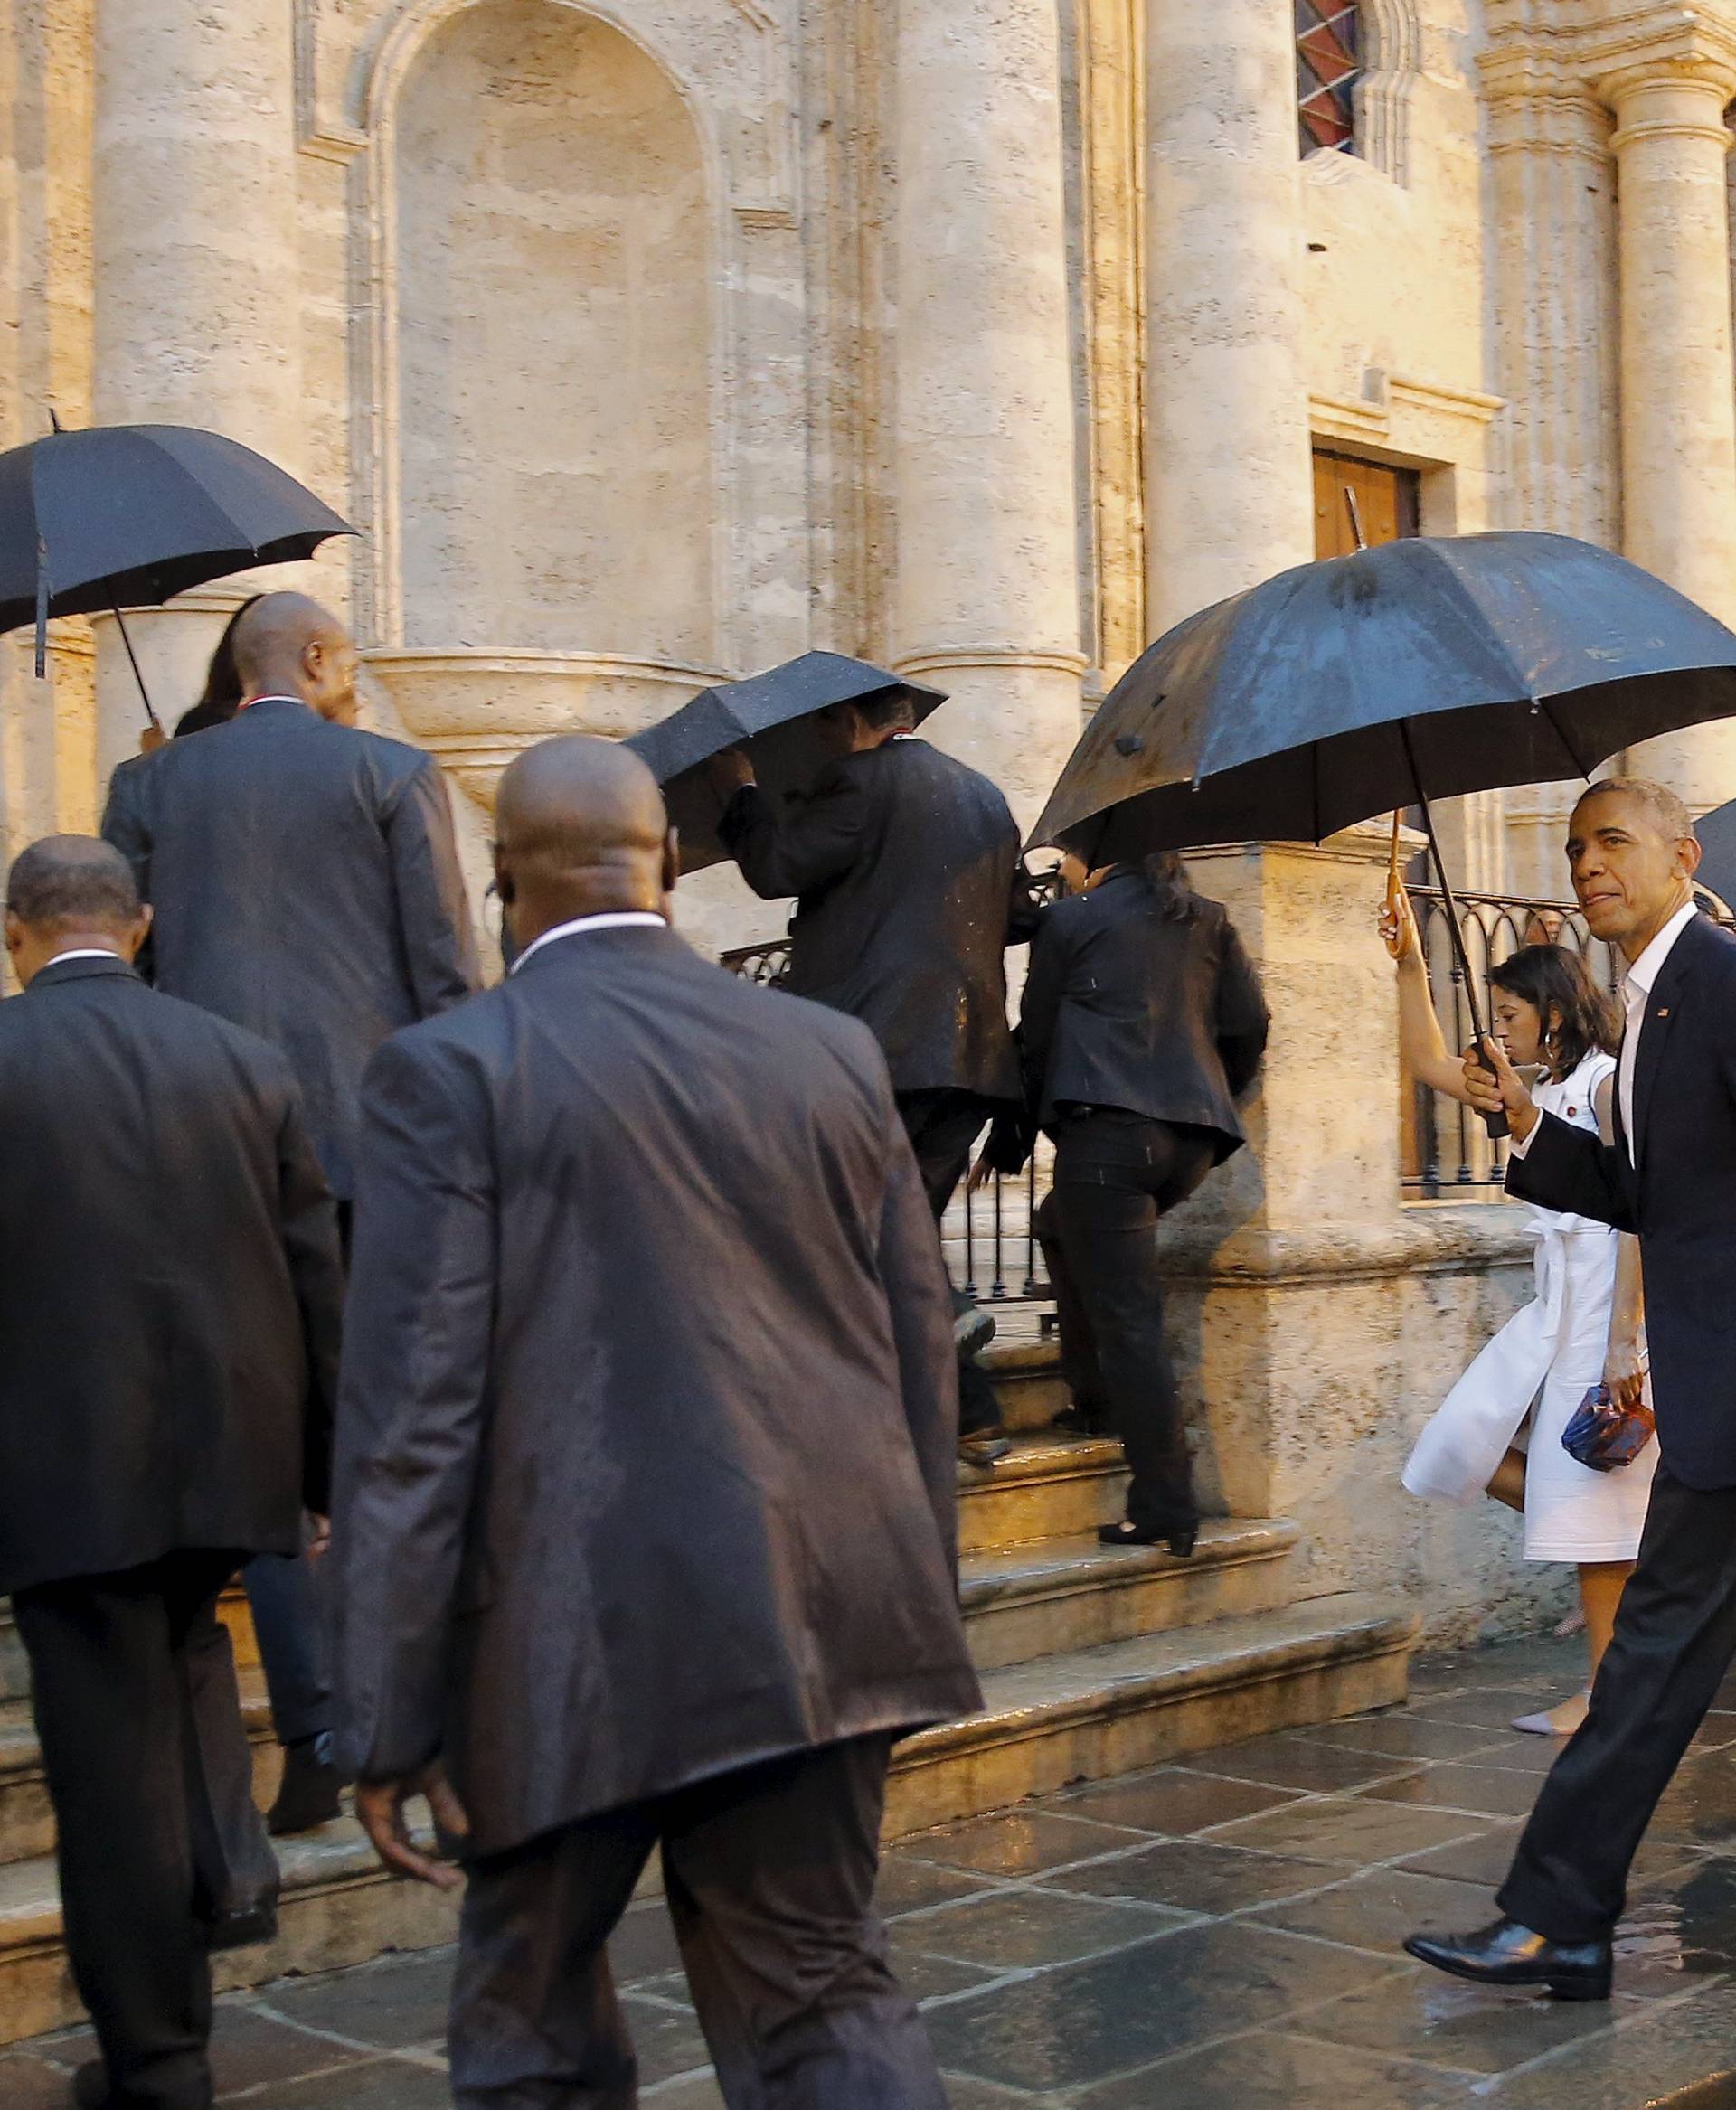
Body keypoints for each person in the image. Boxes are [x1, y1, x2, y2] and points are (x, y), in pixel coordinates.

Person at [333, 736, 979, 2110]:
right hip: (820, 1602)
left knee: (531, 2022)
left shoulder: (448, 1070)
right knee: (819, 1986)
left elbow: (412, 1418)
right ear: (672, 863)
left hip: (561, 1628)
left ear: (499, 881)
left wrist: (382, 1713)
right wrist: (916, 1597)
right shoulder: (827, 1050)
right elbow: (919, 1347)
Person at [101, 590, 481, 1832]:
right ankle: (426, 1709)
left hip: (206, 1154)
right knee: (394, 1424)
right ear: (317, 661)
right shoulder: (392, 770)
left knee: (266, 1450)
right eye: (348, 662)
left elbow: (135, 975)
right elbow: (441, 972)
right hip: (371, 1153)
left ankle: (318, 1732)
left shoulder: (150, 786)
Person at [0, 836, 344, 2110]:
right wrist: (318, 1472)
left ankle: (157, 2059)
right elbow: (320, 1283)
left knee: (106, 1776)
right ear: (137, 925)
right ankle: (195, 1961)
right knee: (177, 1688)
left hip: (60, 1476)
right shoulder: (244, 1060)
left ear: (16, 931)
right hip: (224, 1465)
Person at [1407, 777, 1736, 2002]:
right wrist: (1526, 1126)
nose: (1589, 862)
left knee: (1650, 1660)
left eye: (1614, 840)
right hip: (1716, 1399)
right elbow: (1656, 1193)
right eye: (1574, 845)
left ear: (1680, 852)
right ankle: (1560, 1921)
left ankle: (1559, 1921)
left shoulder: (1719, 976)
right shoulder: (1650, 1008)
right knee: (1649, 1663)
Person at [708, 692, 1033, 1467]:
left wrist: (742, 793)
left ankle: (927, 1340)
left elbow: (775, 866)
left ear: (854, 720)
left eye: (823, 724)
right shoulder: (986, 797)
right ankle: (969, 1416)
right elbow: (1019, 916)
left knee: (836, 1215)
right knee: (902, 1226)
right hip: (970, 1057)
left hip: (879, 1046)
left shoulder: (859, 783)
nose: (820, 740)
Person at [1383, 893, 1651, 1737]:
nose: (1498, 1030)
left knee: (1595, 1504)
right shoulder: (1531, 1090)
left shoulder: (1607, 1082)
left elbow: (1636, 1209)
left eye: (1510, 1014)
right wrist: (1406, 963)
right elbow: (1427, 1061)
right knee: (1461, 1446)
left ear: (1558, 1014)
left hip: (1607, 1307)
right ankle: (1624, 1584)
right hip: (1550, 1311)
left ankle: (1606, 1696)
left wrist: (1626, 1340)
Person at [1016, 843, 1269, 1556]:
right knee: (1058, 1224)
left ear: (1088, 857)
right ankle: (1093, 1398)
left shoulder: (1071, 920)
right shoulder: (1207, 918)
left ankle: (1165, 1504)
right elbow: (1249, 1025)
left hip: (1107, 1139)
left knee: (1130, 1321)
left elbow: (1035, 1040)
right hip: (1189, 1144)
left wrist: (1037, 1121)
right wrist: (1208, 1089)